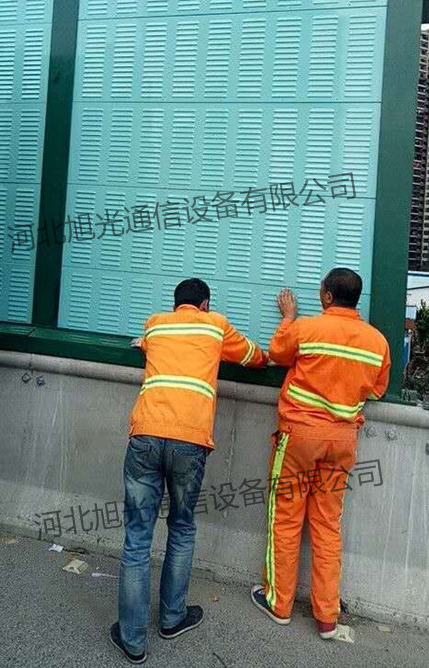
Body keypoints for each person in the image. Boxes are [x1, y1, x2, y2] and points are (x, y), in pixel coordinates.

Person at [111, 277, 268, 663]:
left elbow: (145, 344)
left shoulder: (155, 324)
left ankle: (132, 639)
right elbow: (254, 357)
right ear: (205, 304)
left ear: (175, 304)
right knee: (181, 528)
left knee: (137, 537)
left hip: (145, 436)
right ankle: (171, 618)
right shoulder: (215, 325)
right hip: (189, 442)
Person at [251, 268, 390, 639]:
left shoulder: (307, 329)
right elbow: (378, 389)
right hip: (342, 442)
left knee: (286, 518)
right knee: (328, 526)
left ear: (327, 296)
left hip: (299, 438)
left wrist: (287, 317)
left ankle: (279, 604)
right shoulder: (377, 342)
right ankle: (327, 617)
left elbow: (277, 353)